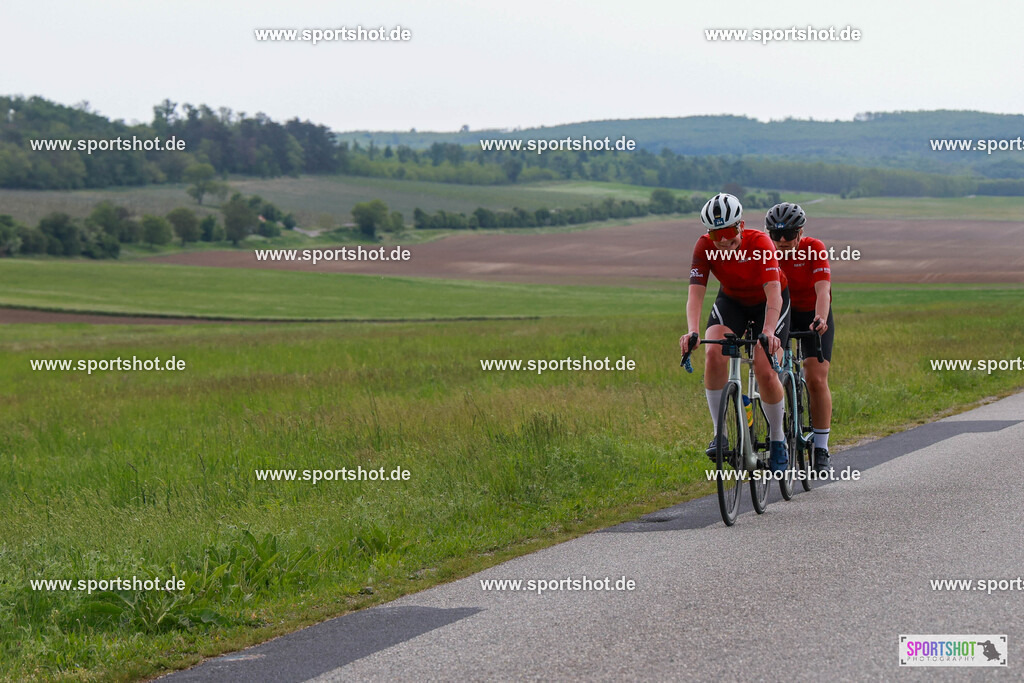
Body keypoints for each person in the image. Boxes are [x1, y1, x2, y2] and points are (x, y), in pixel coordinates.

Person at [680, 193, 791, 472]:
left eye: (730, 233)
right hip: (733, 301)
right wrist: (692, 331)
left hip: (770, 302)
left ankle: (778, 439)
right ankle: (721, 434)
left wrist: (768, 331)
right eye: (717, 235)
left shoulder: (760, 243)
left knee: (765, 368)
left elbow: (774, 293)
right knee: (713, 352)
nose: (724, 242)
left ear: (741, 225)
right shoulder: (704, 247)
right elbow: (695, 294)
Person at [765, 202, 834, 471]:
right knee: (770, 370)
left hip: (811, 313)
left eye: (790, 234)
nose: (782, 241)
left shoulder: (814, 248)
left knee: (815, 377)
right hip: (781, 313)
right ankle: (778, 436)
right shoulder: (766, 250)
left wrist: (821, 318)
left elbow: (823, 290)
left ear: (801, 231)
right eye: (776, 235)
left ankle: (821, 448)